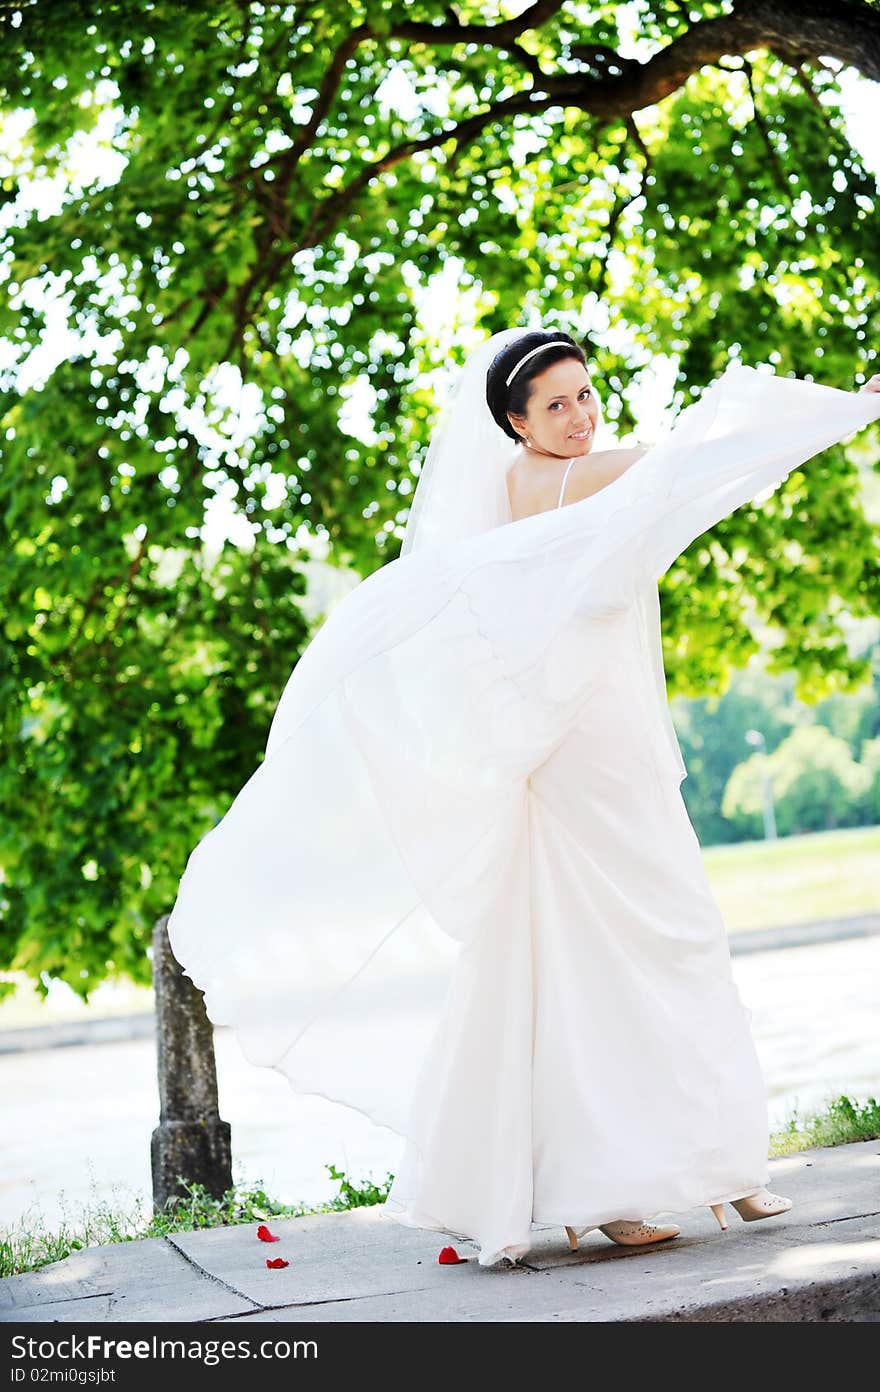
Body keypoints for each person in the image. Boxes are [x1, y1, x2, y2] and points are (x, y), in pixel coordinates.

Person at [166, 327, 880, 1269]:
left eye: (586, 395)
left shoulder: (519, 496)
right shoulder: (557, 484)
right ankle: (626, 1188)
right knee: (614, 958)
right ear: (516, 423)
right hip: (579, 761)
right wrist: (845, 406)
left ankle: (719, 1163)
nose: (581, 416)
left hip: (611, 751)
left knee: (665, 944)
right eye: (556, 405)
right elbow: (690, 461)